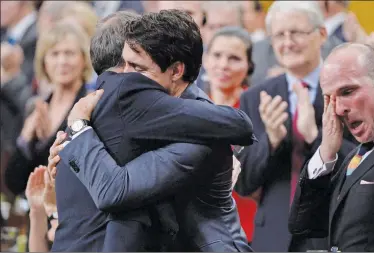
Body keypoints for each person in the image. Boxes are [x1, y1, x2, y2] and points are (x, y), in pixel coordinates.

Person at [50, 10, 253, 252]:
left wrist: (79, 131)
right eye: (123, 65)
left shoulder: (196, 129)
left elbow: (115, 189)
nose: (126, 78)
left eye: (136, 66)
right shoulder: (111, 107)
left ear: (176, 71)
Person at [234, 1, 356, 251]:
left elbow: (365, 163)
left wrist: (315, 136)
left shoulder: (347, 90)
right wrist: (272, 140)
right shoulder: (257, 97)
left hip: (333, 232)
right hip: (273, 236)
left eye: (296, 32)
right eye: (279, 35)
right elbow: (244, 182)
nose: (287, 42)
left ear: (322, 34)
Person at [288, 43, 374, 252]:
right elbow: (302, 226)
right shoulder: (351, 155)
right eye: (330, 98)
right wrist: (326, 152)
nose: (339, 109)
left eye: (347, 91)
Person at [4, 21, 92, 196]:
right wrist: (26, 139)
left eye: (69, 53)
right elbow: (13, 182)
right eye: (54, 54)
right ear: (44, 62)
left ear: (83, 59)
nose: (62, 61)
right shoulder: (35, 107)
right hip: (38, 215)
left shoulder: (90, 104)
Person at [203, 26, 257, 243]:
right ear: (205, 59)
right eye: (217, 55)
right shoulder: (187, 106)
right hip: (194, 228)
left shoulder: (259, 110)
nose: (223, 65)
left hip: (243, 228)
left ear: (249, 66)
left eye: (234, 58)